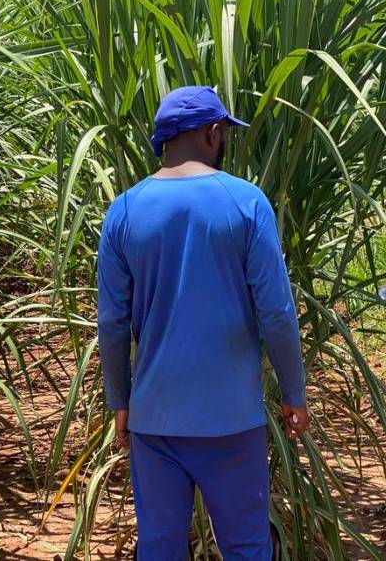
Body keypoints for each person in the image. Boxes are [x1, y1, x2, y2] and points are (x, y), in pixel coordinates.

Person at [96, 85, 310, 561]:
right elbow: (276, 312)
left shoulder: (125, 210)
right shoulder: (246, 202)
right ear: (214, 133)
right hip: (231, 420)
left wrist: (121, 400)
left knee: (159, 547)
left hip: (155, 420)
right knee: (246, 547)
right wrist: (294, 391)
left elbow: (111, 323)